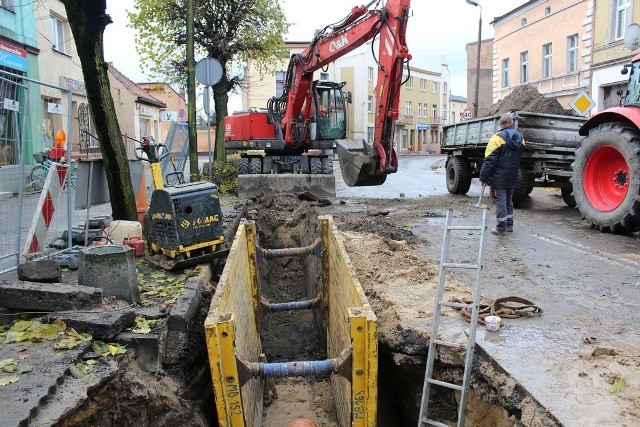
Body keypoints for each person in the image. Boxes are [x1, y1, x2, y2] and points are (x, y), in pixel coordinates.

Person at [479, 113, 525, 236]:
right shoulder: (520, 138)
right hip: (512, 174)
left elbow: (489, 160)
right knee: (508, 201)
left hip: (499, 177)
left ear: (500, 124)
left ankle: (501, 228)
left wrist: (483, 178)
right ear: (511, 123)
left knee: (500, 201)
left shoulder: (496, 138)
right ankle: (509, 225)